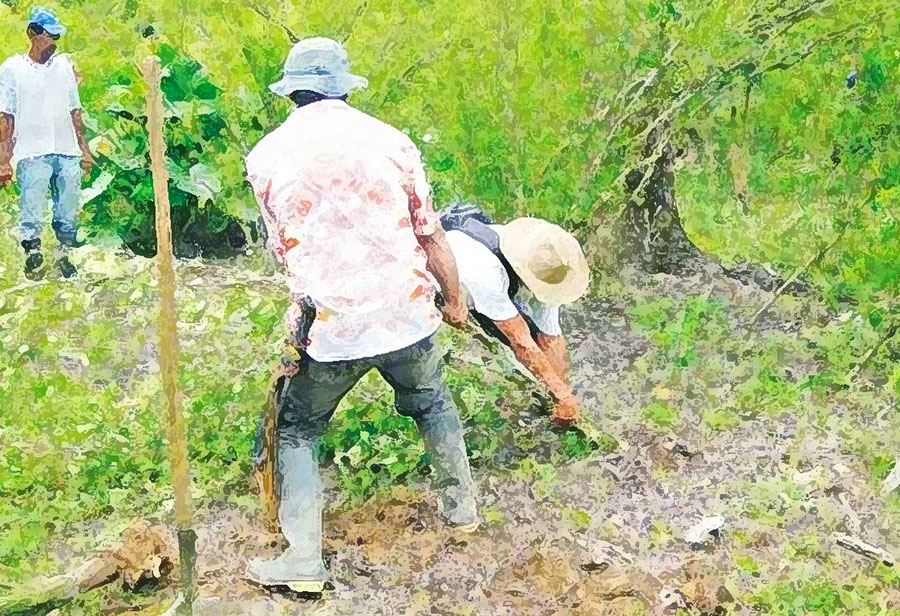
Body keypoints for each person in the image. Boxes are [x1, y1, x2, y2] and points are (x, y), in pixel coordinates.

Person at [244, 37, 478, 593]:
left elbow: (283, 247)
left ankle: (303, 562)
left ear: (292, 92)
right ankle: (462, 512)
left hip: (331, 324)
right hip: (406, 312)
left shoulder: (266, 156)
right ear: (344, 87)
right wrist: (454, 298)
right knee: (433, 405)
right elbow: (430, 231)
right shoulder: (390, 142)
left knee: (298, 429)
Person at [440, 203, 590, 423]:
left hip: (502, 279)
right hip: (449, 285)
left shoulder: (547, 265)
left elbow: (551, 338)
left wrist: (564, 390)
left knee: (536, 344)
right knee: (506, 348)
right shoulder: (485, 271)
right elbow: (521, 342)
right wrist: (562, 396)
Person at [0, 6, 94, 279]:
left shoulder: (64, 67)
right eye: (49, 35)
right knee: (32, 207)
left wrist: (84, 149)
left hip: (66, 149)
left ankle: (64, 257)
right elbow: (5, 117)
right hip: (31, 150)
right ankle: (33, 257)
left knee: (67, 209)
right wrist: (4, 160)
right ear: (33, 33)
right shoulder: (11, 69)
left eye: (56, 36)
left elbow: (75, 111)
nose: (53, 42)